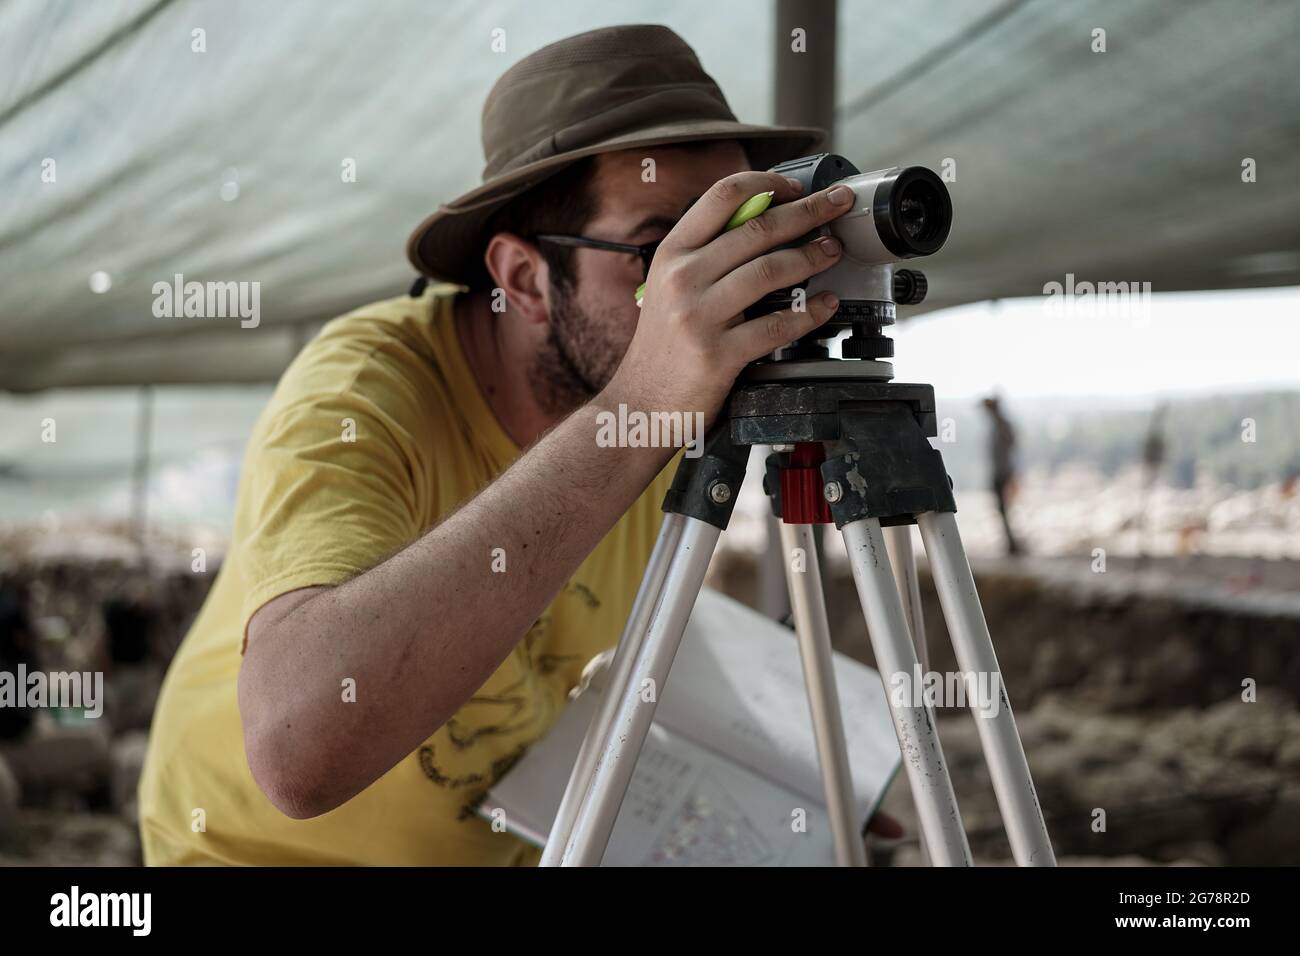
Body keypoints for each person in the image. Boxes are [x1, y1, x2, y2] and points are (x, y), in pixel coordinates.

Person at [138, 24, 899, 865]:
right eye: (662, 246)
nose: (702, 277)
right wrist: (643, 403)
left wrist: (782, 785)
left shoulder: (658, 400)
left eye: (727, 230)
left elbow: (626, 666)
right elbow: (297, 752)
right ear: (526, 279)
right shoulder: (364, 392)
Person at [981, 394, 1021, 556]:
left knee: (1006, 509)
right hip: (1001, 472)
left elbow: (1012, 446)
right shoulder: (997, 427)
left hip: (1004, 473)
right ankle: (1011, 544)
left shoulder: (1002, 426)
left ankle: (1013, 544)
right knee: (1002, 510)